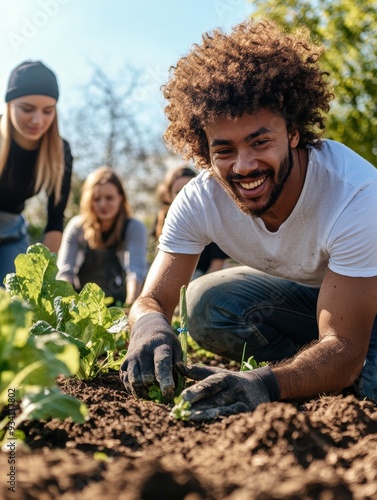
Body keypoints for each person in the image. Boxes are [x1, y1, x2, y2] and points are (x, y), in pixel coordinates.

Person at [120, 19, 377, 421]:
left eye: (260, 142)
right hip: (326, 302)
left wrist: (263, 384)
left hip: (368, 307)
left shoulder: (356, 196)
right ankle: (311, 368)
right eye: (224, 149)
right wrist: (149, 325)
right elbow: (152, 299)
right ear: (204, 151)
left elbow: (344, 345)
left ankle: (327, 373)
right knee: (208, 304)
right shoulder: (200, 199)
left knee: (364, 384)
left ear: (293, 132)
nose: (244, 166)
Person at [0, 60, 73, 285]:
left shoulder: (60, 151)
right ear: (10, 104)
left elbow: (54, 220)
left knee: (17, 299)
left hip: (12, 233)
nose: (38, 120)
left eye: (48, 111)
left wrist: (43, 276)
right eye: (27, 109)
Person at [57, 166, 148, 306]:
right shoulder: (76, 227)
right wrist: (65, 305)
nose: (102, 204)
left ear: (120, 198)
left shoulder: (134, 227)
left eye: (109, 198)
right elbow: (65, 272)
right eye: (96, 198)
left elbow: (135, 271)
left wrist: (130, 306)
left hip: (120, 304)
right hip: (82, 306)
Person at [151, 164, 229, 278]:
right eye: (178, 192)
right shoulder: (161, 219)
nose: (184, 198)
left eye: (187, 191)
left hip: (204, 278)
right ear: (168, 195)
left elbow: (216, 267)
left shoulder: (211, 219)